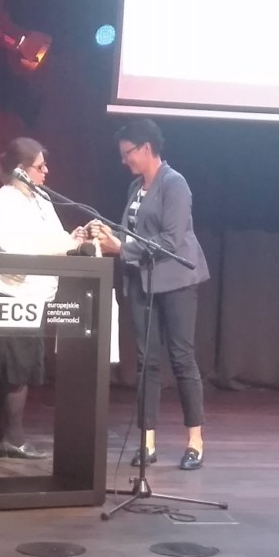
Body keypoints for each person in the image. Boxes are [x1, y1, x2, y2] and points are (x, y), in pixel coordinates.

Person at [89, 118, 209, 470]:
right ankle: (147, 441)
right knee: (146, 363)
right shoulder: (135, 187)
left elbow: (170, 241)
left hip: (176, 281)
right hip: (142, 282)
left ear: (146, 148)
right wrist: (106, 234)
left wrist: (121, 248)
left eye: (128, 152)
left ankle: (195, 442)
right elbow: (134, 235)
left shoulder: (175, 184)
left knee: (182, 359)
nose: (124, 160)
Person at [0, 138, 90, 459]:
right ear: (20, 170)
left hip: (35, 296)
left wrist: (73, 239)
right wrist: (62, 246)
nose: (46, 171)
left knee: (20, 366)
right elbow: (18, 248)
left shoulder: (41, 199)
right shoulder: (5, 201)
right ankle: (13, 438)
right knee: (17, 368)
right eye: (39, 166)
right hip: (12, 295)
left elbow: (53, 239)